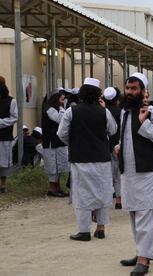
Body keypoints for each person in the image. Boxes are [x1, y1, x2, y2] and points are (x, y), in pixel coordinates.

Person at [118, 74, 153, 276]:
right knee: (134, 214)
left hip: (148, 172)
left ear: (143, 91)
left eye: (134, 88)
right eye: (128, 88)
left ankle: (144, 260)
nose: (130, 92)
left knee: (146, 216)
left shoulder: (152, 112)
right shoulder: (125, 113)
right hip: (129, 173)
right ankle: (141, 252)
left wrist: (145, 124)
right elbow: (129, 139)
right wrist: (119, 147)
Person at [57, 77, 117, 241]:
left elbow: (61, 133)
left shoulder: (71, 111)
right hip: (102, 158)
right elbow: (112, 130)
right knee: (103, 192)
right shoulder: (104, 111)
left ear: (82, 94)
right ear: (98, 95)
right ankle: (101, 228)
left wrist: (74, 142)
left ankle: (84, 231)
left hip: (80, 158)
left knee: (82, 194)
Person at [41, 89, 70, 197]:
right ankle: (51, 188)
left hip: (57, 142)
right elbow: (61, 120)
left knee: (59, 165)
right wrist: (62, 108)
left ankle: (57, 187)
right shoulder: (50, 110)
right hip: (50, 142)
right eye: (61, 100)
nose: (63, 102)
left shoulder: (55, 109)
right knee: (53, 166)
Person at [103, 87, 122, 209]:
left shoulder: (102, 111)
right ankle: (119, 200)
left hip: (105, 146)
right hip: (118, 146)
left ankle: (105, 199)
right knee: (118, 175)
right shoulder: (121, 111)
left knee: (106, 175)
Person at [0, 81, 17, 193]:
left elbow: (15, 117)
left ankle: (3, 185)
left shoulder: (11, 101)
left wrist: (1, 122)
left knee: (4, 163)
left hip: (5, 136)